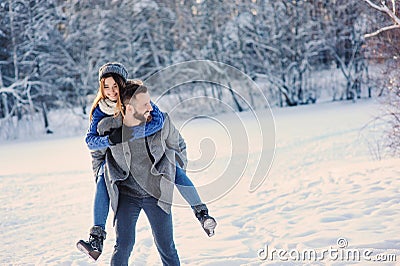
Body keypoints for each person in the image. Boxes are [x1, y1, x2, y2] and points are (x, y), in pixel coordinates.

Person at [77, 62, 217, 261]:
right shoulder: (104, 120)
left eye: (115, 86)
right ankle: (97, 235)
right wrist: (107, 153)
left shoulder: (150, 111)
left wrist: (171, 164)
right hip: (127, 191)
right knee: (123, 243)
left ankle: (202, 213)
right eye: (106, 87)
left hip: (156, 189)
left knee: (166, 245)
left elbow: (174, 139)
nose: (111, 91)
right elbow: (93, 147)